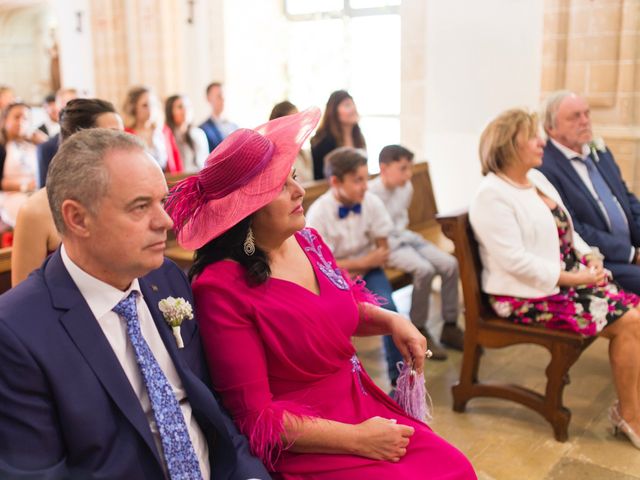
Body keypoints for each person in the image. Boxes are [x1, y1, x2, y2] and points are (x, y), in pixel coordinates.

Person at [165, 107, 476, 479]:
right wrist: (359, 440)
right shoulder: (220, 288)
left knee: (456, 466)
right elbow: (257, 417)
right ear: (245, 209)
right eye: (281, 186)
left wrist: (393, 320)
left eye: (293, 176)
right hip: (309, 439)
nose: (299, 191)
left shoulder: (307, 241)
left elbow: (339, 311)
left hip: (359, 402)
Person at [0, 128, 270, 479]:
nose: (166, 222)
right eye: (141, 207)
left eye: (162, 201)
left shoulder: (167, 278)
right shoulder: (17, 332)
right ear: (77, 218)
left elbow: (210, 409)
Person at [469, 108, 640, 450]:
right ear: (510, 144)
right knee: (630, 320)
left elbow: (568, 229)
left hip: (558, 284)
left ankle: (630, 408)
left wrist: (592, 258)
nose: (541, 141)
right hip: (523, 297)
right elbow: (515, 262)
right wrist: (576, 279)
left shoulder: (536, 180)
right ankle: (630, 416)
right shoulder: (491, 194)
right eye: (533, 136)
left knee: (635, 311)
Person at [306, 147, 410, 382]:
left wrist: (363, 265)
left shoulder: (370, 202)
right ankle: (339, 379)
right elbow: (319, 264)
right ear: (335, 181)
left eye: (366, 178)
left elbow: (382, 249)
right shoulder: (319, 214)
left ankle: (398, 379)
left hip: (369, 273)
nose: (365, 186)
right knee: (331, 321)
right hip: (332, 278)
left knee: (389, 310)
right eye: (357, 180)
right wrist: (362, 261)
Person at [12, 98, 124, 287]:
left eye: (123, 136)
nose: (124, 147)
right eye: (112, 137)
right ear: (79, 142)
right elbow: (23, 296)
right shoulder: (36, 211)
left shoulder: (124, 197)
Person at [538, 90, 640, 296]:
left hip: (631, 248)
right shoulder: (545, 167)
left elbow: (626, 199)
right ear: (551, 127)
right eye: (575, 116)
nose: (585, 121)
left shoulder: (599, 152)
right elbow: (575, 228)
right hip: (597, 261)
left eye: (586, 114)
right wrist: (632, 254)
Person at [369, 144, 464, 357]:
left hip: (406, 236)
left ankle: (450, 325)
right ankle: (419, 328)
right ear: (384, 168)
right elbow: (374, 235)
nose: (408, 174)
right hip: (387, 245)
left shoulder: (406, 187)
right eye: (402, 168)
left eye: (409, 168)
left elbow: (402, 223)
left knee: (450, 264)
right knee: (424, 270)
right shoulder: (370, 195)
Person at [310, 90, 366, 180]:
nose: (353, 108)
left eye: (353, 104)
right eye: (347, 105)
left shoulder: (359, 137)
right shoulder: (323, 142)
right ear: (334, 111)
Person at [123, 85, 178, 172]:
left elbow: (176, 161)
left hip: (167, 181)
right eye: (145, 105)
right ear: (133, 108)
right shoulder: (126, 134)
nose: (150, 109)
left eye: (153, 104)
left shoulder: (164, 131)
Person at [0, 102, 38, 226]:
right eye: (17, 117)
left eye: (25, 118)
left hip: (36, 193)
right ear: (5, 120)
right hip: (11, 196)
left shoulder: (34, 146)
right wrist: (25, 186)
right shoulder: (2, 147)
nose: (21, 121)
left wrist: (44, 144)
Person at [36, 87, 79, 187]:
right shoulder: (47, 147)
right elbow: (44, 187)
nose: (75, 111)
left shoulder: (94, 141)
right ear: (59, 109)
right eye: (68, 105)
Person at [269, 100, 313, 182]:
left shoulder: (305, 154)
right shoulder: (272, 157)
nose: (298, 124)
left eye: (299, 119)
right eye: (293, 120)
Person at [165, 94, 209, 173]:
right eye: (180, 107)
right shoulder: (166, 135)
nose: (185, 110)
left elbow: (205, 162)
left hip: (198, 177)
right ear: (170, 112)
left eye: (188, 107)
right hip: (176, 179)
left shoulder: (199, 134)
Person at [199, 82, 238, 152]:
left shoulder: (235, 126)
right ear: (208, 98)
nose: (223, 99)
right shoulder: (202, 130)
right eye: (219, 96)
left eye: (224, 96)